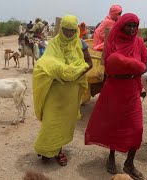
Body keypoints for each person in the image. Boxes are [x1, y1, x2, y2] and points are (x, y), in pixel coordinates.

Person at [85, 13, 147, 180]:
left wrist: (133, 67)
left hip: (132, 89)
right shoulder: (112, 42)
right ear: (121, 26)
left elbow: (144, 68)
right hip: (114, 88)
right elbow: (108, 65)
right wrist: (123, 62)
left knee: (137, 128)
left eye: (135, 25)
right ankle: (111, 156)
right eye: (129, 25)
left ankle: (129, 163)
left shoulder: (139, 43)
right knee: (114, 124)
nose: (132, 29)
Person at [33, 15, 92, 166]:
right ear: (61, 29)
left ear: (77, 30)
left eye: (72, 31)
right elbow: (45, 63)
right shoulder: (53, 44)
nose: (68, 34)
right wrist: (60, 71)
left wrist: (74, 73)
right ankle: (46, 148)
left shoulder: (81, 44)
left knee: (63, 123)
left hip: (71, 91)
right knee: (50, 120)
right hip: (54, 88)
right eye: (65, 30)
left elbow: (89, 64)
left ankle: (58, 151)